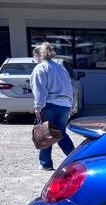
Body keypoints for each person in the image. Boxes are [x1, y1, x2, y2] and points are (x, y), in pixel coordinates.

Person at [30, 42, 76, 171]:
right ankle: (74, 158)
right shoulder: (61, 68)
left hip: (50, 104)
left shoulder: (41, 68)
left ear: (38, 55)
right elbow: (70, 87)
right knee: (60, 134)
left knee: (45, 133)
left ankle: (46, 163)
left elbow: (40, 90)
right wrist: (71, 105)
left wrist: (38, 107)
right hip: (65, 105)